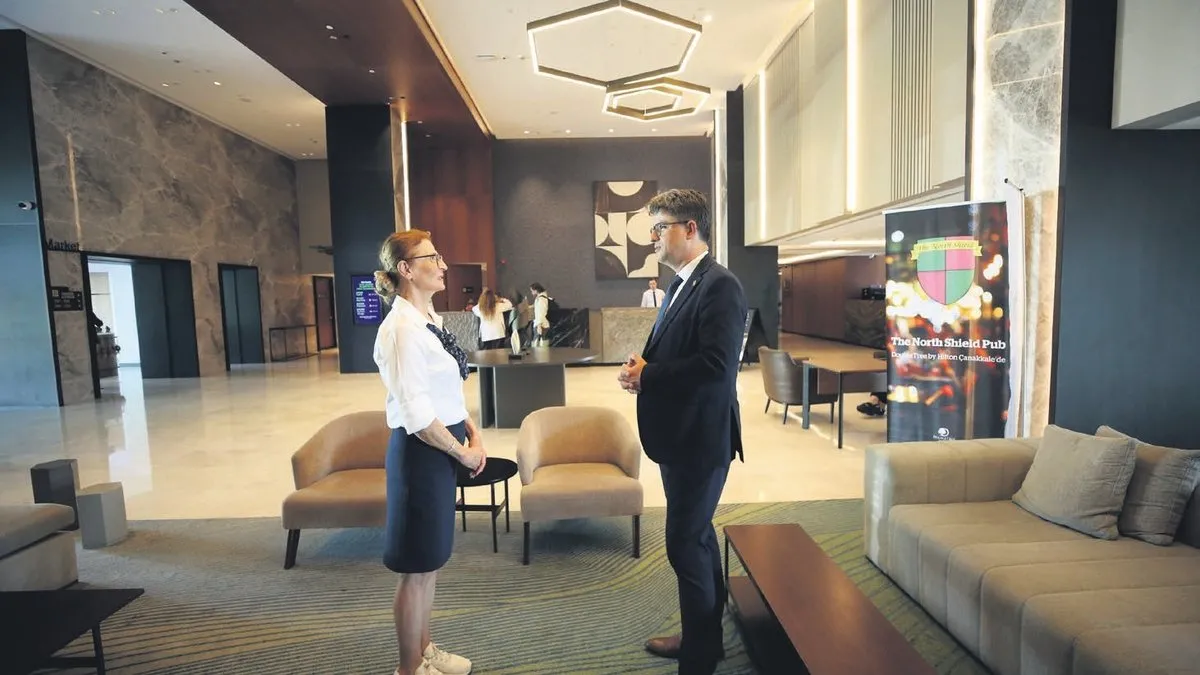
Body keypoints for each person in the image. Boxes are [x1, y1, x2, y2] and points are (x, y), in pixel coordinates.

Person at [617, 189, 747, 675]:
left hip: (701, 440)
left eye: (659, 228)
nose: (652, 238)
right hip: (679, 437)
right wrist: (642, 369)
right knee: (697, 537)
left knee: (683, 544)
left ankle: (697, 660)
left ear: (690, 229)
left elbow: (717, 366)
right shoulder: (682, 284)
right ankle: (703, 641)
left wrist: (650, 375)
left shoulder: (720, 285)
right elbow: (680, 351)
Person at [372, 229, 487, 675]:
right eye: (432, 258)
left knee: (431, 562)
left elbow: (445, 393)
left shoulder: (428, 319)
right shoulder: (400, 329)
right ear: (405, 269)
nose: (443, 265)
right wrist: (463, 453)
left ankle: (424, 650)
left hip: (442, 449)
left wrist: (471, 430)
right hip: (421, 455)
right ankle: (408, 668)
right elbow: (417, 415)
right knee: (415, 569)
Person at [529, 282, 552, 346]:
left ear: (536, 290)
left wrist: (539, 326)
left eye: (532, 291)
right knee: (541, 345)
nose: (531, 293)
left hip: (541, 325)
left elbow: (540, 313)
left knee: (537, 346)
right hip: (541, 324)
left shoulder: (541, 299)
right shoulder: (541, 298)